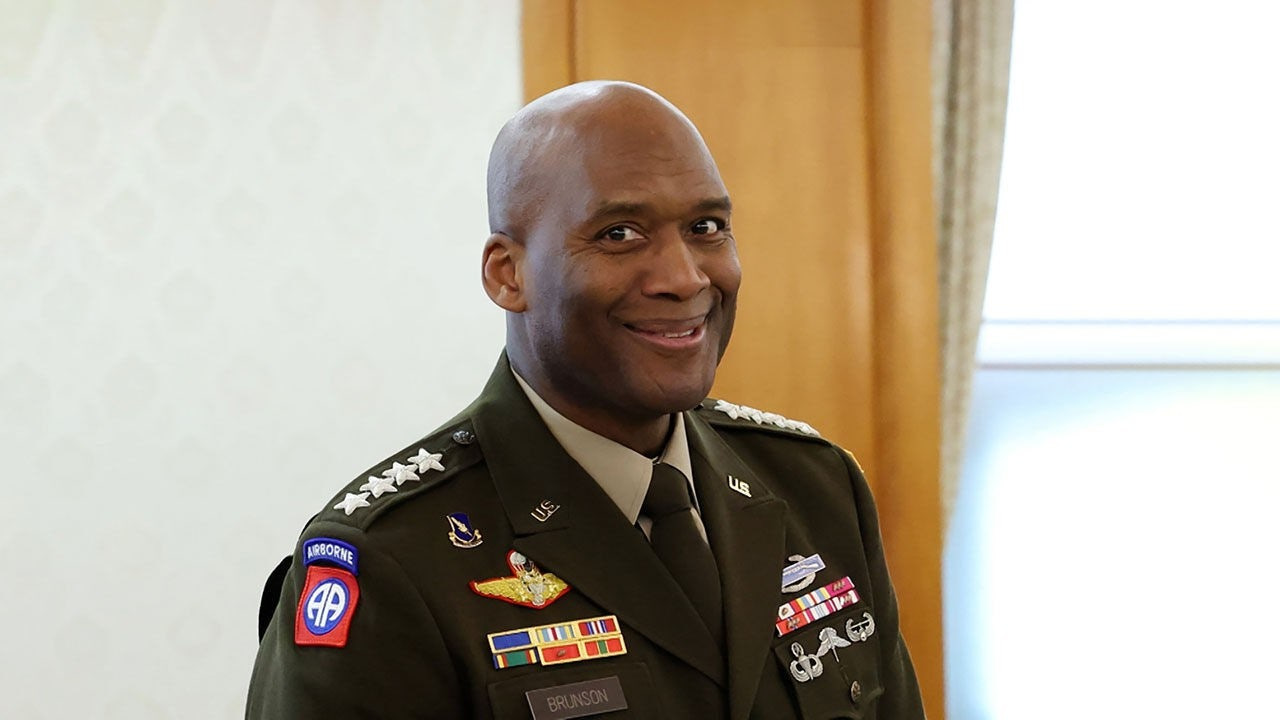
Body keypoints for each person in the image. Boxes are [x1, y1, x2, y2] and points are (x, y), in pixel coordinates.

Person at [247, 81, 925, 720]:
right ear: (508, 274)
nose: (685, 277)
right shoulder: (390, 560)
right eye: (619, 234)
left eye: (706, 226)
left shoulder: (815, 486)